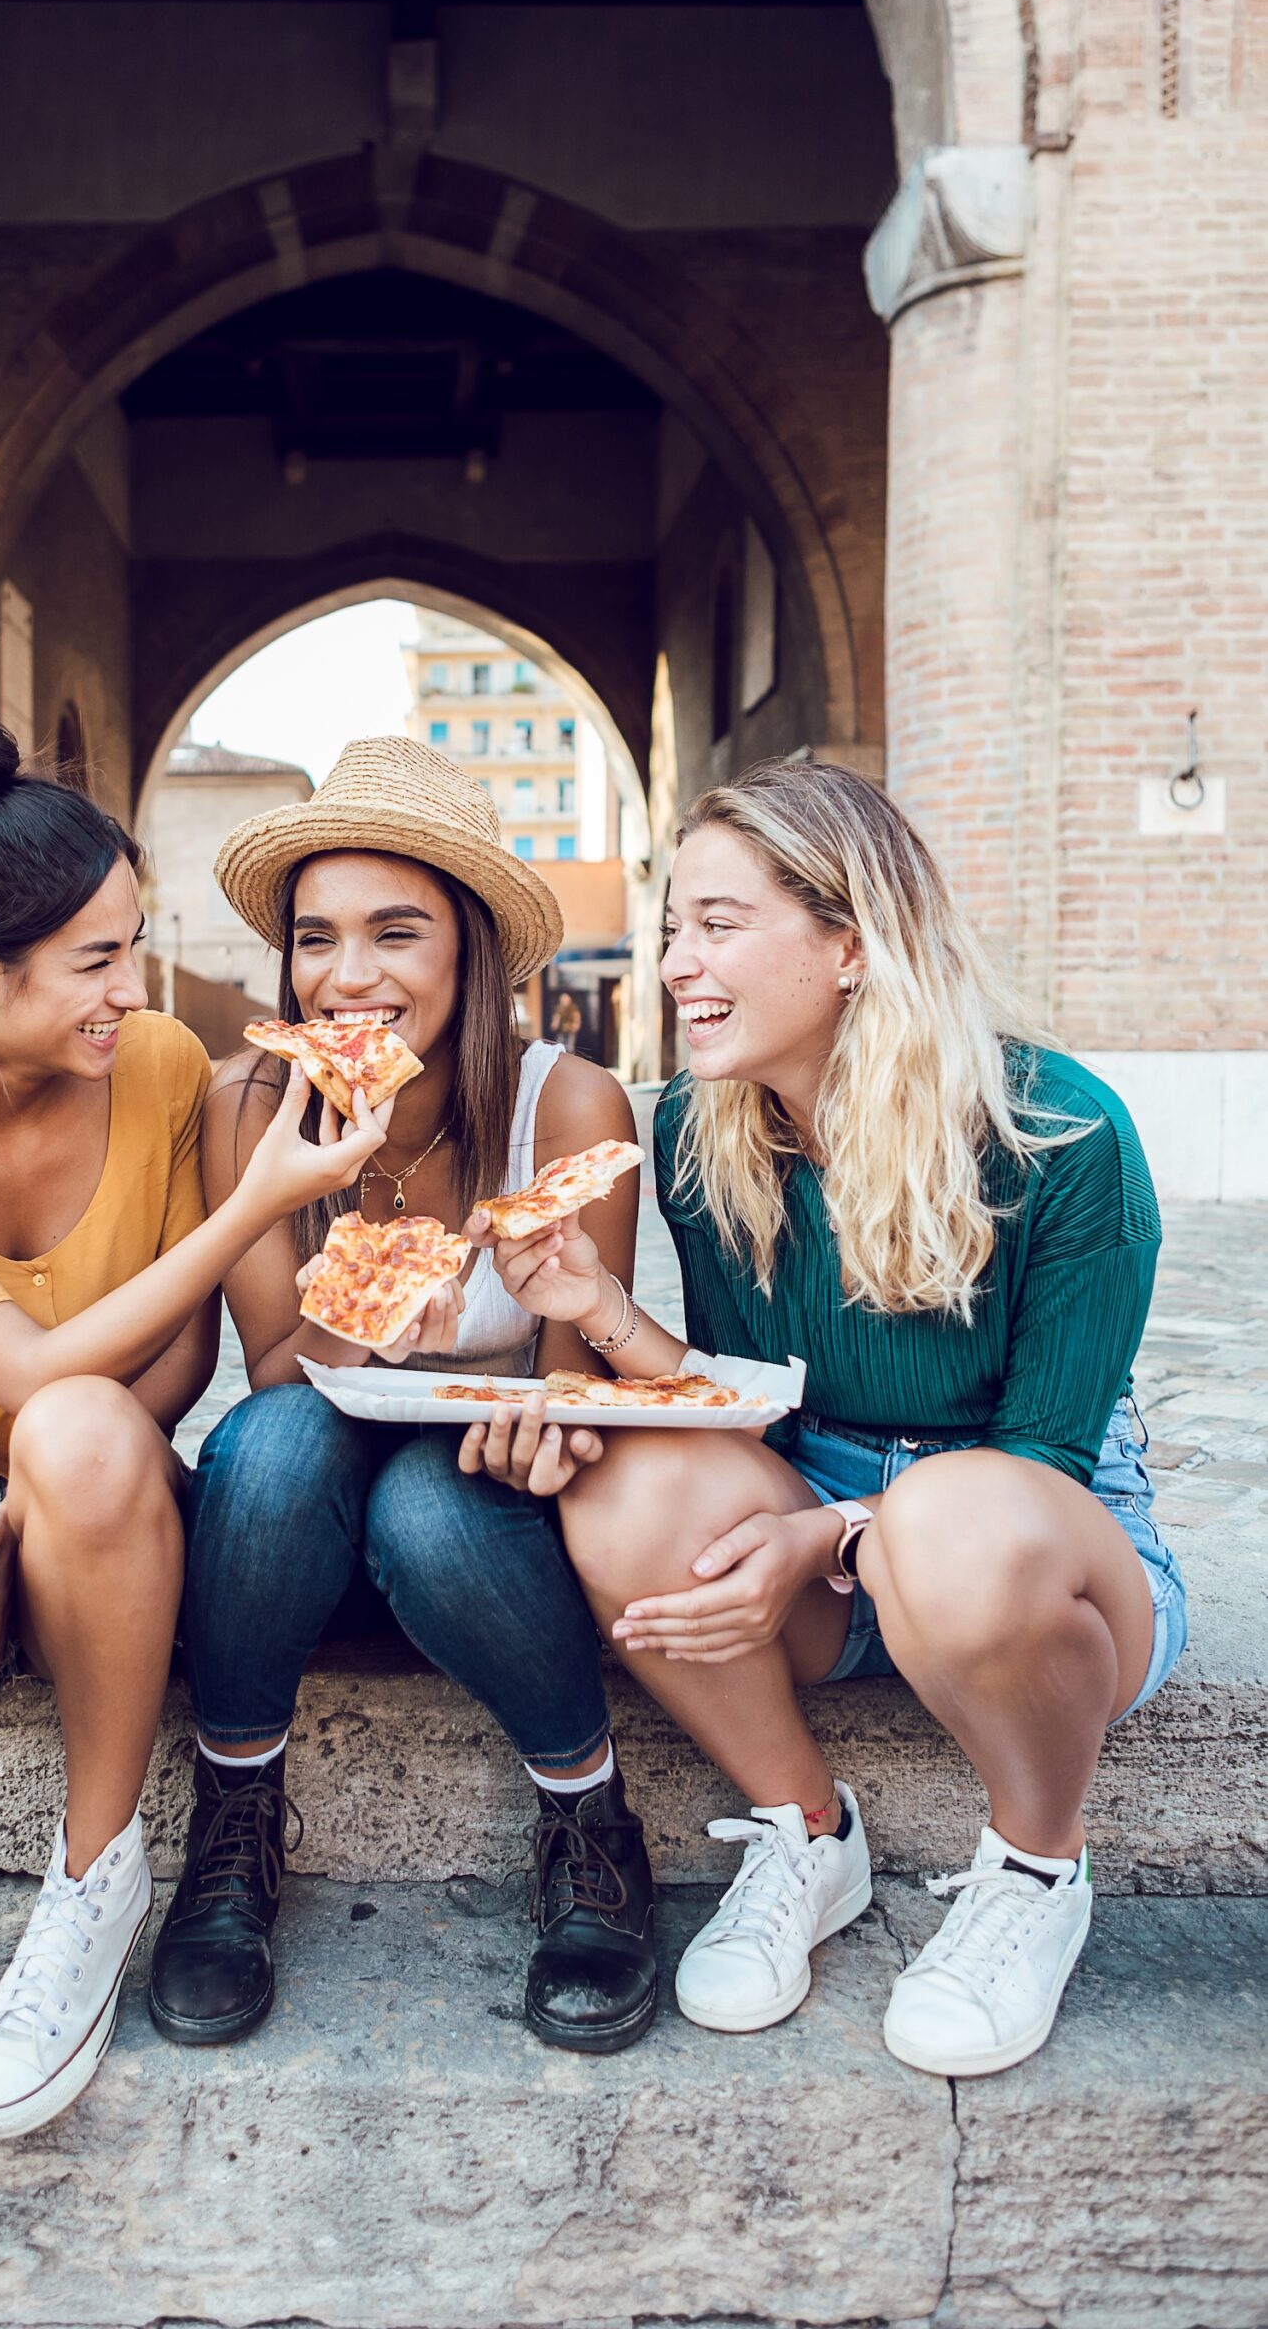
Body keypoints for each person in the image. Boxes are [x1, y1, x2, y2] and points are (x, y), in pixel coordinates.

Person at [471, 757, 1186, 2078]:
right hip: (832, 1530)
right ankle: (807, 1831)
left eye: (719, 925)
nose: (679, 963)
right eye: (675, 924)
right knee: (626, 1480)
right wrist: (603, 1319)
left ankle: (1036, 1868)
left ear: (850, 943)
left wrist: (826, 1540)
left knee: (957, 1522)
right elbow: (748, 1409)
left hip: (1040, 1555)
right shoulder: (697, 1124)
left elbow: (1044, 1465)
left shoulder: (1064, 1135)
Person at [0, 704, 385, 2140]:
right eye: (96, 958)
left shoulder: (157, 1064)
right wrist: (253, 1210)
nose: (134, 986)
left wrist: (37, 1507)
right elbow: (24, 1370)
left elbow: (161, 1369)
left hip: (95, 1485)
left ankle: (93, 1880)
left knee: (90, 1436)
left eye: (135, 942)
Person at [147, 736, 659, 2054]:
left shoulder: (569, 1105)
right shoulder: (253, 1107)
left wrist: (531, 1418)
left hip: (483, 1527)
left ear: (471, 950)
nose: (349, 976)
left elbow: (571, 1392)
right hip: (295, 1525)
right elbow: (278, 1388)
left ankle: (588, 1819)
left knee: (430, 1507)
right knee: (267, 1446)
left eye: (396, 933)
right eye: (317, 939)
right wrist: (374, 1319)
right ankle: (236, 1819)